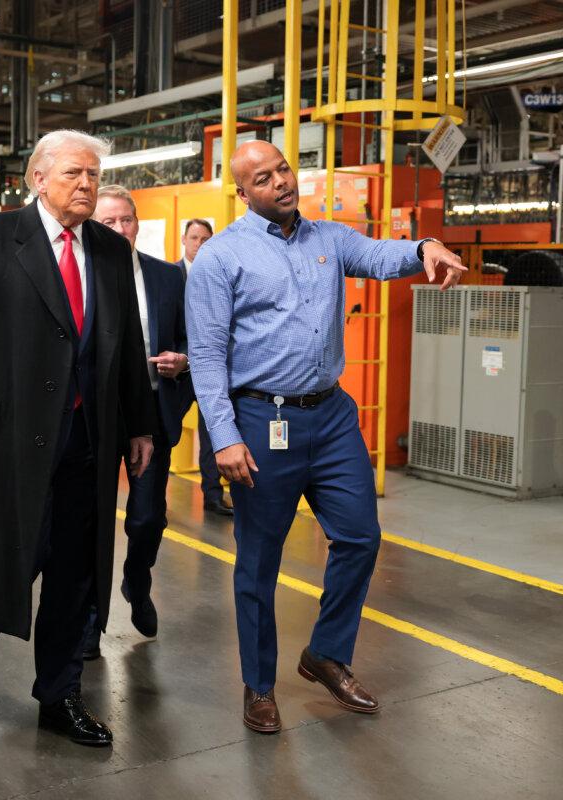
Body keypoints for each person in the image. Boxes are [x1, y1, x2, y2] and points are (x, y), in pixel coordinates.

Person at [186, 141, 466, 734]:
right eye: (263, 179)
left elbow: (381, 255)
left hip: (332, 416)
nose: (281, 183)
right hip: (263, 421)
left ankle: (327, 653)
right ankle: (259, 684)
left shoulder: (329, 239)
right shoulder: (221, 257)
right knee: (259, 562)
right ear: (243, 192)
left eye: (284, 168)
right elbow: (207, 354)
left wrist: (425, 246)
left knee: (360, 538)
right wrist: (224, 436)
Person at [0, 130, 157, 748]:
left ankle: (58, 696)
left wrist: (139, 424)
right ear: (37, 178)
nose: (86, 184)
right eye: (73, 174)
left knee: (74, 575)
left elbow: (128, 347)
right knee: (7, 558)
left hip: (88, 440)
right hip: (7, 440)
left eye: (92, 174)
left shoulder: (109, 251)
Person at [82, 184, 191, 660]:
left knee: (146, 517)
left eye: (125, 219)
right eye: (107, 222)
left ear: (137, 224)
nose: (119, 229)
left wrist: (182, 360)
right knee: (89, 521)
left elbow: (195, 338)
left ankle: (137, 581)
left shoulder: (168, 278)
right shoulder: (80, 275)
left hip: (151, 409)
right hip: (94, 415)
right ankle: (88, 619)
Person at [176, 218, 231, 516]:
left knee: (214, 432)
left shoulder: (220, 275)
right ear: (184, 240)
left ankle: (212, 496)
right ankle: (151, 496)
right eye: (194, 237)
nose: (199, 243)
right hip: (179, 371)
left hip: (213, 369)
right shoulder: (169, 275)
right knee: (166, 431)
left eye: (205, 238)